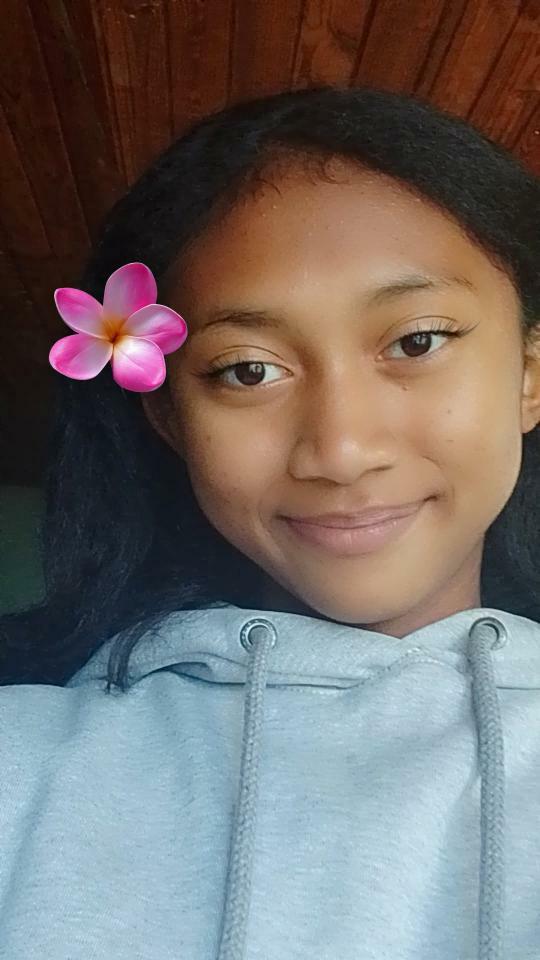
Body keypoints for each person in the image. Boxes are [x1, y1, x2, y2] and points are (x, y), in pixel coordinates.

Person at [0, 84, 539, 960]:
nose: (341, 450)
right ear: (168, 418)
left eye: (417, 341)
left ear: (528, 373)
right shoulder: (20, 763)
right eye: (248, 371)